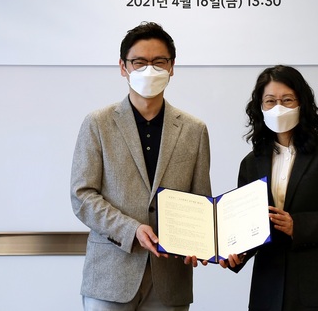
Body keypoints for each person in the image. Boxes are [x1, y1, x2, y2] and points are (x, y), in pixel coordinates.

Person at [70, 22, 212, 311]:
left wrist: (200, 242)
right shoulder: (98, 123)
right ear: (123, 67)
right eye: (139, 62)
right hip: (110, 275)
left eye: (159, 62)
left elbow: (199, 201)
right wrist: (131, 229)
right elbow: (82, 195)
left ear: (172, 67)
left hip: (170, 277)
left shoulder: (194, 130)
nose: (150, 70)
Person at [220, 65, 318, 311]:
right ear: (260, 108)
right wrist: (236, 254)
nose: (278, 108)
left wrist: (298, 225)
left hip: (317, 287)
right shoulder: (251, 163)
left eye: (287, 100)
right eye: (270, 101)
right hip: (268, 287)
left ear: (302, 104)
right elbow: (248, 224)